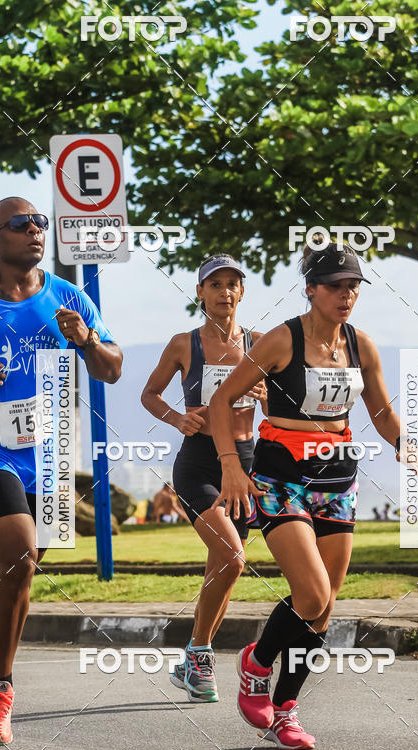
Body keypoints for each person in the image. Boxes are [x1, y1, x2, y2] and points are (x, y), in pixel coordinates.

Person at [209, 242, 412, 750]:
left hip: (337, 475)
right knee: (312, 593)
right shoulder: (281, 341)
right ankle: (256, 663)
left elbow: (382, 413)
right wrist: (232, 466)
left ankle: (286, 709)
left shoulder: (362, 346)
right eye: (336, 287)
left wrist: (408, 443)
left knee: (324, 608)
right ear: (312, 290)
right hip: (282, 474)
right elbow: (221, 399)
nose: (346, 296)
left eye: (353, 287)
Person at [0, 197, 122, 744]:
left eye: (41, 222)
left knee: (17, 572)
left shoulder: (67, 297)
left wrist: (86, 340)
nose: (36, 230)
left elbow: (112, 370)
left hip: (50, 453)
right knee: (16, 551)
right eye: (21, 225)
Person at [141, 253, 266, 702]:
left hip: (245, 464)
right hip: (198, 464)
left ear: (242, 291)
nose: (225, 292)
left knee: (222, 567)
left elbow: (283, 410)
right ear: (200, 293)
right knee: (233, 558)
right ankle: (199, 655)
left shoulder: (262, 344)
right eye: (215, 284)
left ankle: (196, 658)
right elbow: (149, 394)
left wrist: (266, 394)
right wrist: (177, 419)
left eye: (233, 283)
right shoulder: (183, 344)